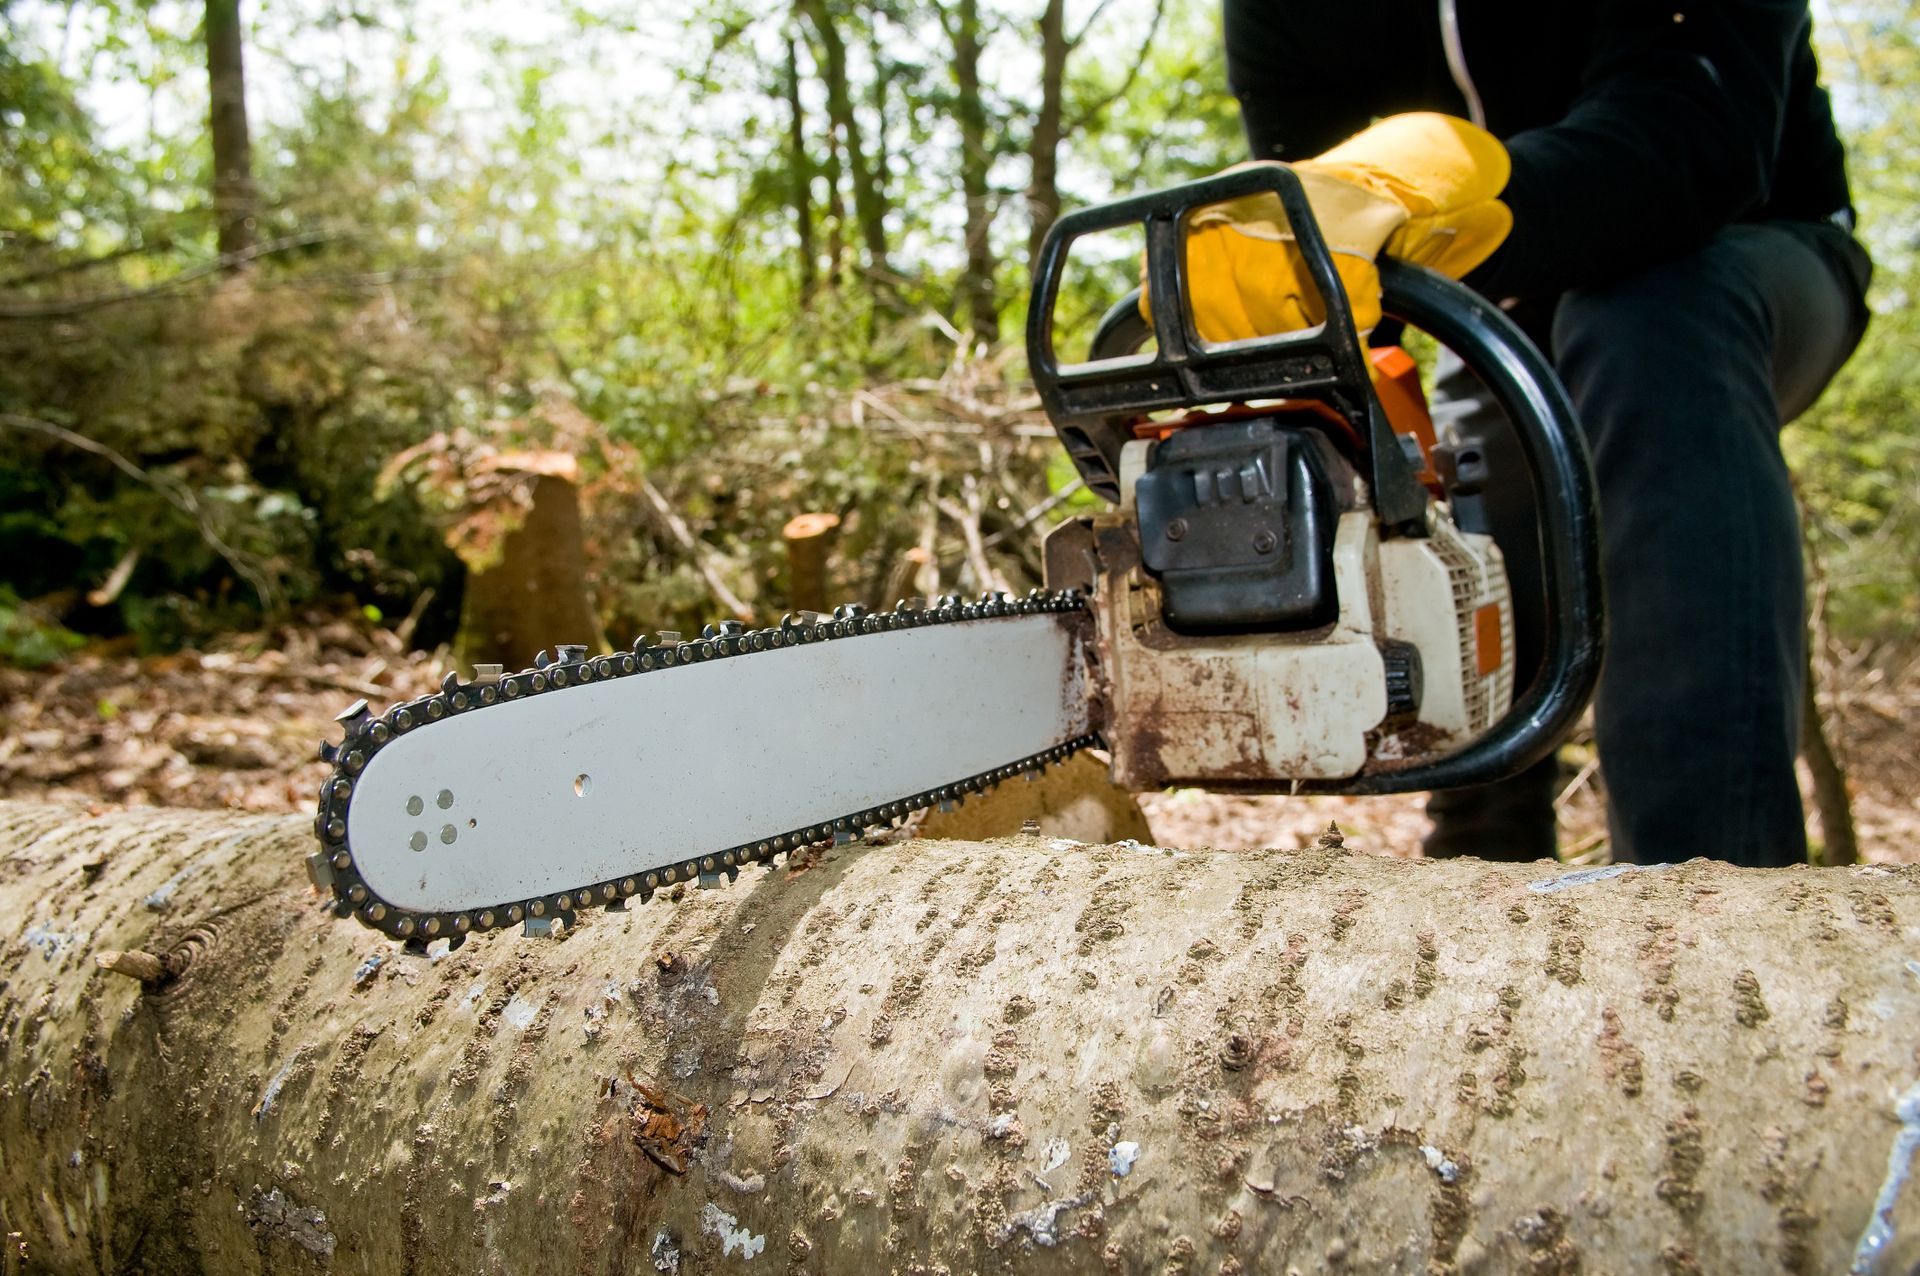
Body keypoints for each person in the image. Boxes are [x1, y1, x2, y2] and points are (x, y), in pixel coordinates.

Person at [1187, 2, 1872, 866]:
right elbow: (1316, 210)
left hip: (1741, 255)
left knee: (1645, 325)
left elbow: (1691, 135)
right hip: (1505, 310)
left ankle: (1711, 873)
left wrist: (1461, 197)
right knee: (1473, 490)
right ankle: (1482, 854)